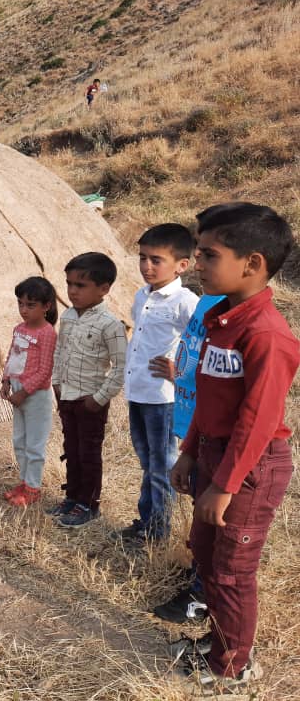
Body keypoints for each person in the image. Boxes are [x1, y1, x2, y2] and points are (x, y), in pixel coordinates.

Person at [169, 203, 298, 693]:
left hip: (250, 466)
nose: (197, 263)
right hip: (215, 454)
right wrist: (189, 452)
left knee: (231, 569)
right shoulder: (221, 320)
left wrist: (224, 485)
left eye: (208, 254)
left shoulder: (266, 335)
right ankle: (219, 640)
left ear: (253, 264)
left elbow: (257, 423)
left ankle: (235, 665)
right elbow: (209, 397)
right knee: (205, 552)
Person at [116, 224, 199, 545]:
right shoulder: (142, 295)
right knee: (147, 461)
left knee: (162, 465)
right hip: (139, 391)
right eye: (142, 258)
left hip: (164, 398)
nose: (147, 266)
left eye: (156, 260)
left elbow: (201, 343)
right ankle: (147, 521)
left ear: (181, 265)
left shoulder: (185, 301)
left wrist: (180, 371)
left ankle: (158, 534)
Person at [151, 291, 225, 624]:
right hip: (195, 426)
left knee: (212, 523)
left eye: (209, 255)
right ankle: (197, 574)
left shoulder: (230, 310)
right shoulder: (208, 302)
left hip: (216, 436)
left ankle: (204, 593)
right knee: (198, 516)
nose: (198, 263)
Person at [47, 252, 127, 528]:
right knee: (71, 448)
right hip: (66, 395)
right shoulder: (68, 316)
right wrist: (56, 383)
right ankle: (72, 497)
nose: (72, 291)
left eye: (80, 286)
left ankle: (88, 504)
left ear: (103, 289)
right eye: (69, 284)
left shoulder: (111, 325)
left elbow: (120, 367)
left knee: (89, 453)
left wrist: (99, 398)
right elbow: (60, 350)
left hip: (90, 399)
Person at [0, 276, 58, 507]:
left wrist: (23, 392)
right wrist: (6, 380)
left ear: (46, 306)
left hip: (35, 397)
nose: (24, 310)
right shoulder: (19, 329)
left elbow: (45, 370)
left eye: (30, 305)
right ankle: (24, 482)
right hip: (17, 392)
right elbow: (12, 356)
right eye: (21, 303)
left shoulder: (47, 333)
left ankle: (33, 488)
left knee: (35, 444)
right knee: (19, 440)